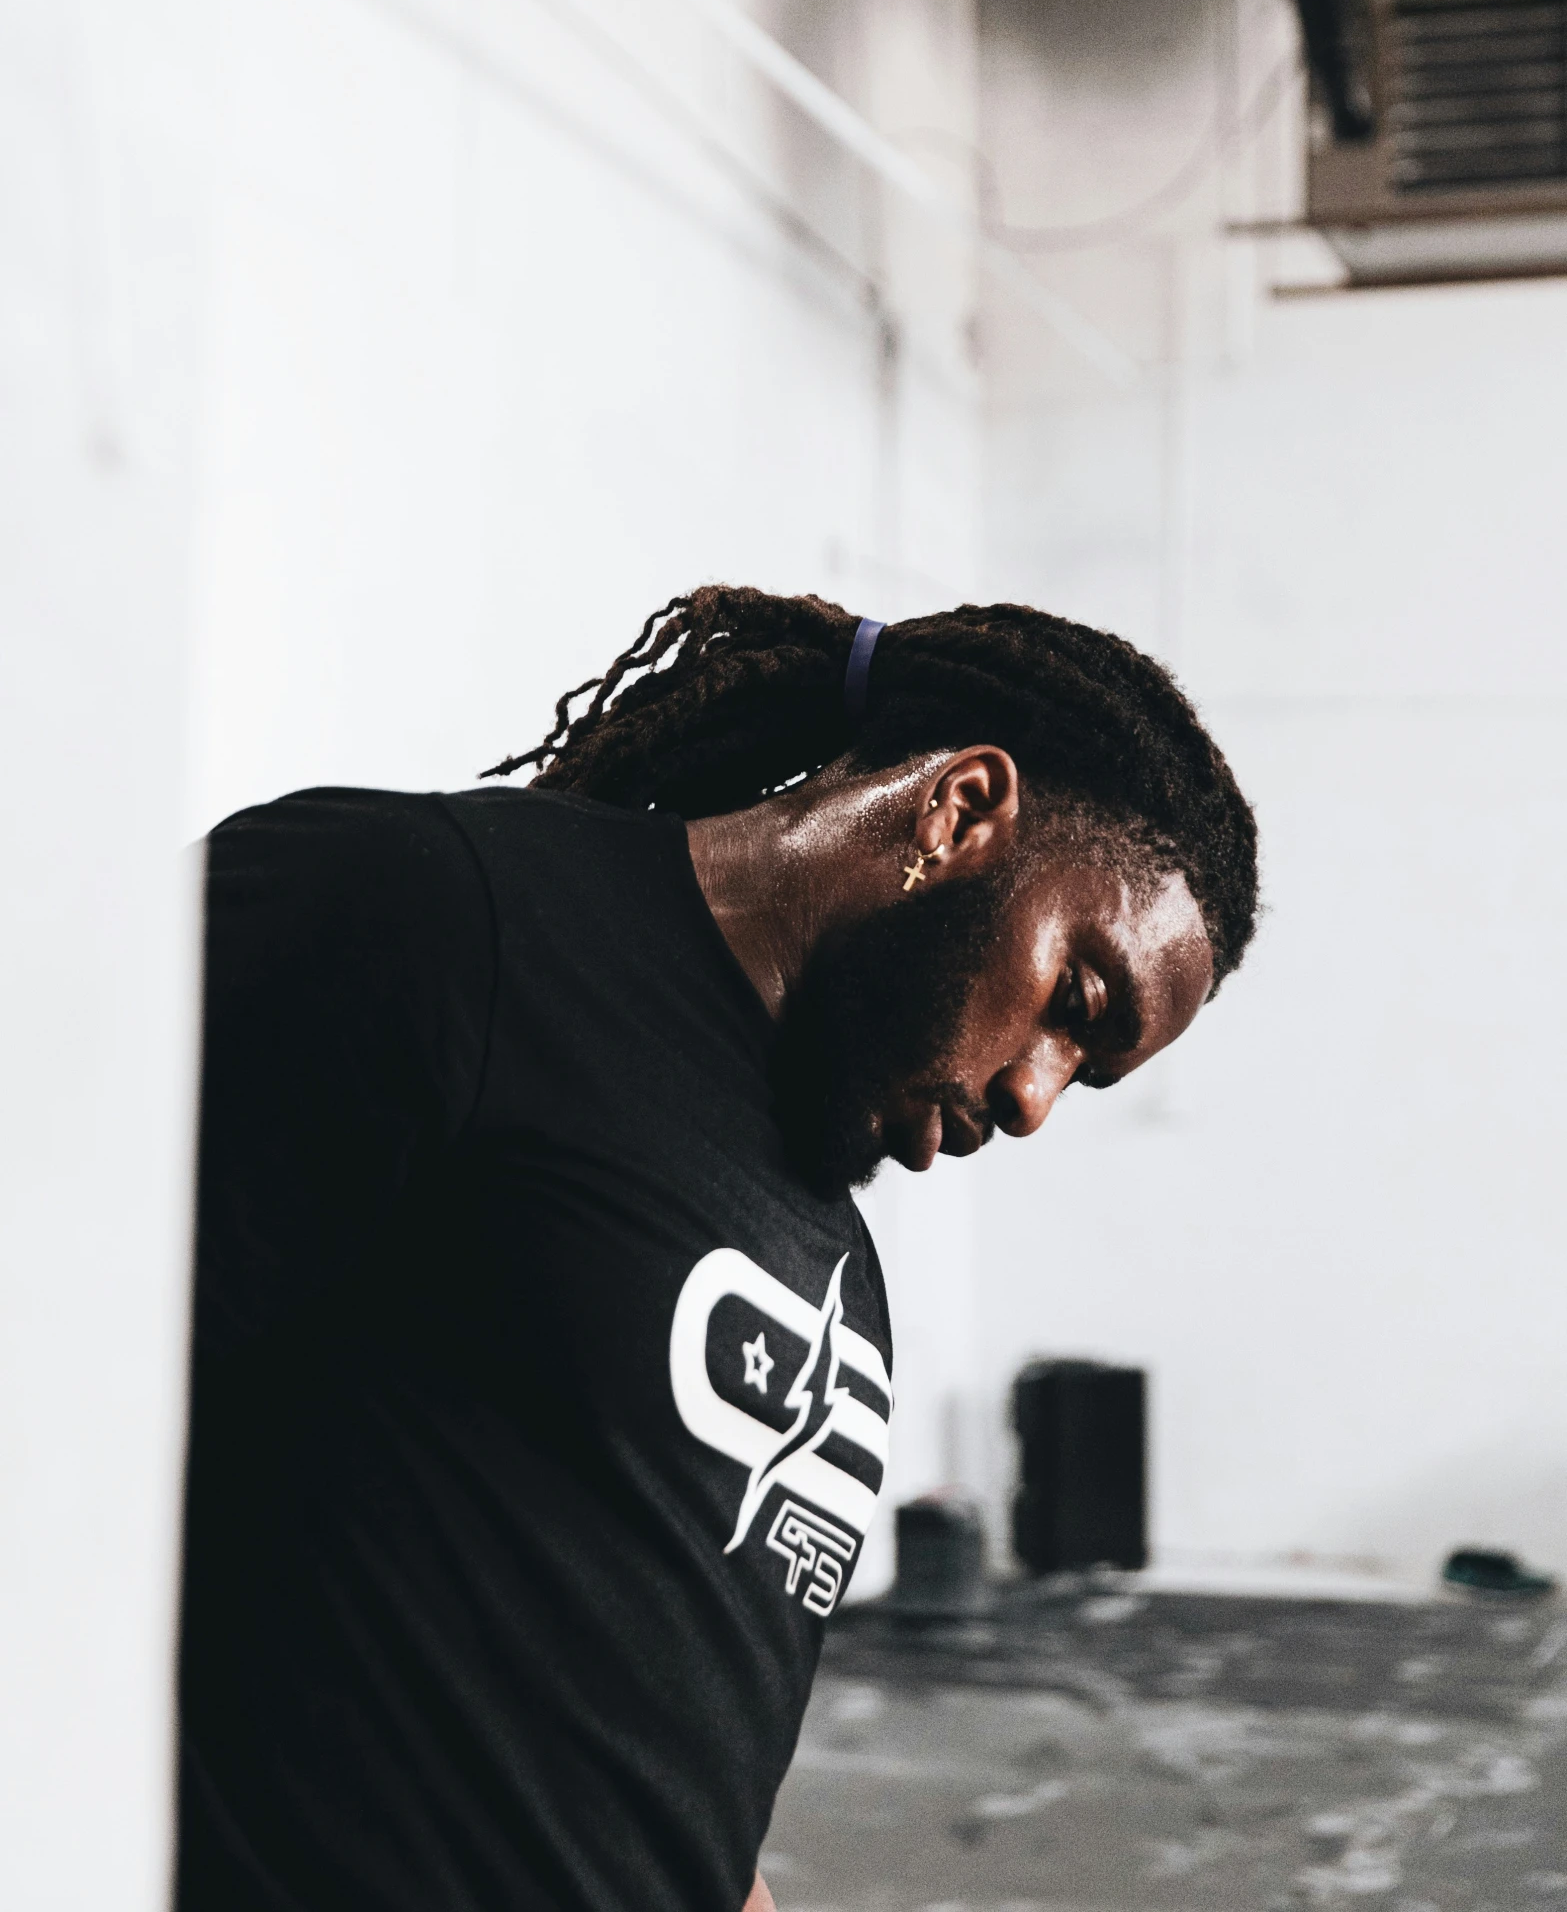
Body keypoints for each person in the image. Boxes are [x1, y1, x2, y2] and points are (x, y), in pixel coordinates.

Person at [177, 587, 1258, 1912]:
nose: (1033, 1097)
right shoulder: (441, 919)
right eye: (1071, 1004)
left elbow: (653, 1743)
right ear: (962, 809)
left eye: (1082, 1075)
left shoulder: (832, 1254)